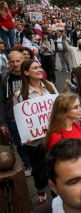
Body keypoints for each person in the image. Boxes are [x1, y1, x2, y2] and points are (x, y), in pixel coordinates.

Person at [13, 59, 58, 203]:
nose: (39, 69)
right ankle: (40, 189)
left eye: (40, 67)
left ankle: (56, 195)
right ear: (26, 72)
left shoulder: (50, 86)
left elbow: (58, 106)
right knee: (39, 170)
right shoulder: (20, 94)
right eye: (35, 68)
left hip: (53, 137)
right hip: (35, 143)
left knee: (55, 167)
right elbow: (19, 118)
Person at [0, 51, 31, 174]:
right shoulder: (5, 79)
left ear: (23, 60)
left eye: (18, 61)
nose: (15, 64)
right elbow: (1, 101)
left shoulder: (31, 75)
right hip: (13, 118)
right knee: (20, 143)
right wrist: (3, 123)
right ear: (9, 63)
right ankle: (27, 164)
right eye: (12, 61)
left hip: (30, 117)